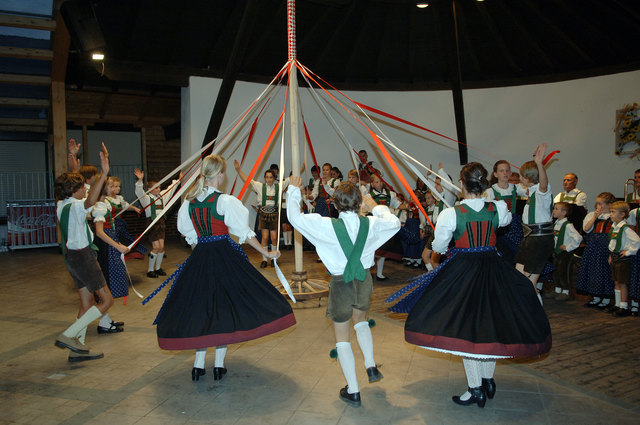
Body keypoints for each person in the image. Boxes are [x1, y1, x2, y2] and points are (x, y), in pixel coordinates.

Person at [387, 162, 551, 408]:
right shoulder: (497, 207)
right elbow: (504, 223)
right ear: (484, 184)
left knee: (466, 328)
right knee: (490, 323)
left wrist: (448, 245)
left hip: (464, 270)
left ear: (462, 185)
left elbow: (440, 247)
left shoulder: (451, 214)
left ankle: (476, 388)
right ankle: (488, 380)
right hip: (494, 267)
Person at [150, 154, 296, 382]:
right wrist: (266, 252)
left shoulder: (190, 202)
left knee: (202, 310)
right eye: (223, 172)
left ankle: (198, 367)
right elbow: (245, 233)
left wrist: (201, 248)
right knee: (224, 310)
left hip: (200, 258)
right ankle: (218, 365)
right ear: (219, 174)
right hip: (223, 256)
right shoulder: (225, 201)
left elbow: (189, 234)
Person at [286, 176, 401, 406]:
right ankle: (370, 365)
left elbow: (294, 218)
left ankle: (354, 389)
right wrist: (375, 207)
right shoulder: (371, 223)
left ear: (335, 205)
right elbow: (395, 223)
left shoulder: (325, 225)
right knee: (360, 320)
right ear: (360, 203)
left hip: (341, 283)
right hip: (364, 280)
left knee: (342, 337)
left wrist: (293, 190)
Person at [54, 143, 123, 362]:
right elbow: (91, 200)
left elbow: (76, 186)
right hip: (84, 256)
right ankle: (69, 335)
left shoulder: (61, 204)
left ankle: (78, 349)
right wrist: (104, 172)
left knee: (86, 304)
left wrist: (73, 158)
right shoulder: (76, 206)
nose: (86, 187)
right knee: (107, 301)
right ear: (74, 191)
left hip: (71, 259)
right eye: (82, 186)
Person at [92, 177, 132, 333]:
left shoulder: (105, 204)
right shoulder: (100, 206)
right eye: (109, 186)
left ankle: (105, 320)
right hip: (105, 246)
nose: (114, 189)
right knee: (106, 282)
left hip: (110, 242)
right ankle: (103, 323)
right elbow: (100, 232)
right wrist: (117, 246)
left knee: (108, 282)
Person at [514, 144, 554, 301]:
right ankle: (528, 312)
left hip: (539, 239)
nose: (520, 178)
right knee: (519, 275)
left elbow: (543, 183)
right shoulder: (531, 191)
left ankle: (535, 313)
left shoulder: (542, 191)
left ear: (528, 178)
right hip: (530, 238)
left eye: (522, 176)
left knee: (529, 281)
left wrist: (539, 164)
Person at [234, 161, 288, 267]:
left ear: (274, 178)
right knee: (264, 237)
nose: (269, 179)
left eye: (271, 177)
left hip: (274, 215)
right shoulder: (259, 186)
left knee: (274, 238)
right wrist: (238, 169)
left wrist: (300, 169)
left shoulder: (279, 186)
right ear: (264, 178)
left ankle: (273, 258)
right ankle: (264, 259)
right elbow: (247, 180)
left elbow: (290, 179)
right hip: (263, 215)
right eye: (267, 177)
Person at [134, 169, 180, 278]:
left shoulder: (161, 197)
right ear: (150, 190)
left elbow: (170, 189)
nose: (159, 189)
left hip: (161, 223)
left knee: (162, 247)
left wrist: (178, 180)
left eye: (159, 187)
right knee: (156, 247)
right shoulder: (146, 199)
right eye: (156, 187)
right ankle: (150, 270)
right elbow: (139, 192)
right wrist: (140, 180)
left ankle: (158, 268)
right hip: (152, 223)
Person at [483, 160, 527, 263]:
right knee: (503, 253)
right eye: (501, 171)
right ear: (495, 174)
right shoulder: (491, 191)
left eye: (507, 171)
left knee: (517, 254)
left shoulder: (516, 188)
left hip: (514, 225)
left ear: (510, 173)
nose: (505, 173)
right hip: (499, 226)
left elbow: (532, 192)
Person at [577, 192, 616, 309]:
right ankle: (596, 297)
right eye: (597, 203)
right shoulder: (592, 215)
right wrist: (594, 217)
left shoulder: (613, 217)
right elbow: (586, 229)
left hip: (606, 248)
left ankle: (606, 298)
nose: (598, 206)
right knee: (593, 272)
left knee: (605, 273)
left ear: (610, 205)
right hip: (593, 247)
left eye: (601, 204)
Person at [368, 173, 406, 280]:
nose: (379, 184)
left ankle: (379, 274)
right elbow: (365, 209)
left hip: (386, 227)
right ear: (372, 184)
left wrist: (411, 206)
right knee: (372, 250)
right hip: (375, 226)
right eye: (376, 182)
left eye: (380, 181)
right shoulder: (369, 196)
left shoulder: (390, 194)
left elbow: (399, 205)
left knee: (383, 250)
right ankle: (368, 272)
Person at [607, 201, 640, 316]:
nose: (611, 214)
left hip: (622, 259)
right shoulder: (614, 228)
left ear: (622, 215)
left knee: (622, 283)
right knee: (616, 282)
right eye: (610, 212)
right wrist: (611, 255)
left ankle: (624, 306)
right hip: (615, 257)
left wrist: (628, 252)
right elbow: (612, 243)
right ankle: (617, 304)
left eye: (613, 212)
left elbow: (637, 241)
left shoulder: (625, 229)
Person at [105, 176, 147, 259]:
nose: (118, 188)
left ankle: (138, 251)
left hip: (120, 223)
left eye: (119, 186)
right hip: (111, 225)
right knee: (115, 241)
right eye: (115, 186)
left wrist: (135, 208)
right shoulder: (106, 200)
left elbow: (126, 206)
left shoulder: (119, 198)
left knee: (129, 238)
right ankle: (117, 255)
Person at [548, 202, 583, 301]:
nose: (554, 211)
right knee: (556, 271)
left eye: (556, 209)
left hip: (565, 253)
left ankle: (566, 291)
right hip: (557, 252)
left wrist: (568, 247)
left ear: (564, 212)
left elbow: (578, 238)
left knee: (564, 271)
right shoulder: (556, 223)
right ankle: (557, 290)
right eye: (554, 208)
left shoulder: (567, 225)